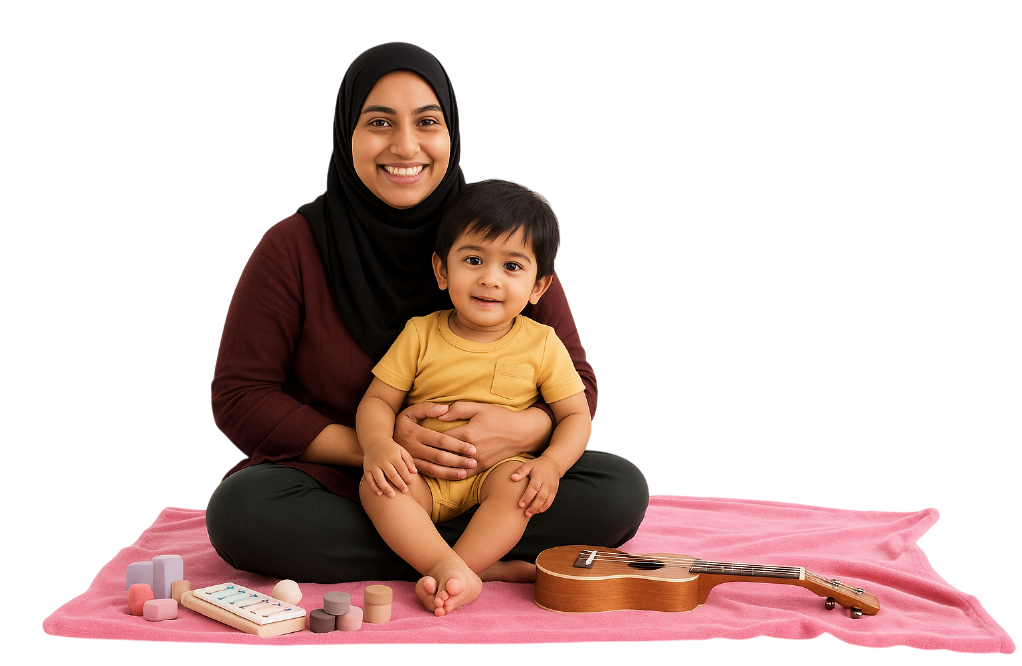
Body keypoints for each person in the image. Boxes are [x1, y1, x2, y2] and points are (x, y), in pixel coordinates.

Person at [206, 42, 649, 584]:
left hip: (497, 478)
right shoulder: (293, 247)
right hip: (366, 479)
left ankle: (441, 561)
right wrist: (381, 445)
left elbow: (578, 384)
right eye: (379, 122)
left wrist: (522, 430)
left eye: (427, 121)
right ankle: (483, 564)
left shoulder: (495, 236)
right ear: (348, 131)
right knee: (244, 512)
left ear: (450, 131)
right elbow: (241, 397)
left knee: (618, 491)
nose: (405, 145)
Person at [358, 178, 591, 615]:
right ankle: (460, 567)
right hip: (423, 474)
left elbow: (576, 414)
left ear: (540, 287)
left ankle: (459, 568)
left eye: (512, 267)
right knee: (379, 489)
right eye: (473, 259)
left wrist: (551, 465)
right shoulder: (420, 333)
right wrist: (377, 446)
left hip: (497, 474)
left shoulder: (542, 343)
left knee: (521, 490)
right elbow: (377, 401)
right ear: (442, 270)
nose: (490, 279)